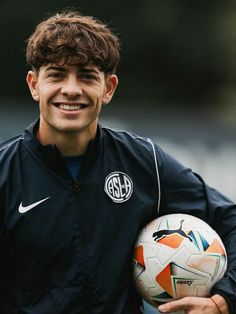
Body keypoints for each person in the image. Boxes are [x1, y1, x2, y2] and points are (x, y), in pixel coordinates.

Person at [0, 10, 235, 314]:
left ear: (108, 88)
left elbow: (229, 219)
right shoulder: (5, 175)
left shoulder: (144, 163)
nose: (71, 89)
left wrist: (222, 300)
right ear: (34, 85)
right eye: (57, 75)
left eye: (87, 76)